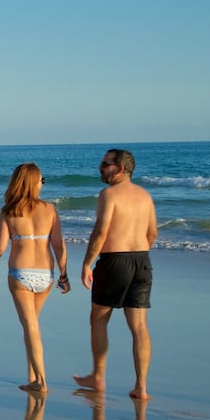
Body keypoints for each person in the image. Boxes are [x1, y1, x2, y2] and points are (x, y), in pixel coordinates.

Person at [74, 149, 158, 400]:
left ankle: (97, 376)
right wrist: (138, 255)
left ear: (120, 168)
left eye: (105, 164)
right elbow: (152, 232)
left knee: (99, 319)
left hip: (114, 262)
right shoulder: (145, 196)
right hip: (142, 261)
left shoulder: (108, 194)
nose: (100, 167)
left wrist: (87, 263)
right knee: (139, 327)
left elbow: (101, 231)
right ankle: (141, 387)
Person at [0, 163, 69, 393]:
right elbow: (59, 245)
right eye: (42, 180)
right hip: (46, 275)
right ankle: (32, 377)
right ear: (33, 182)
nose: (42, 183)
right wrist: (64, 273)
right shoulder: (49, 209)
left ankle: (41, 381)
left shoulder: (8, 210)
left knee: (30, 326)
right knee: (31, 326)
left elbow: (1, 246)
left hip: (20, 274)